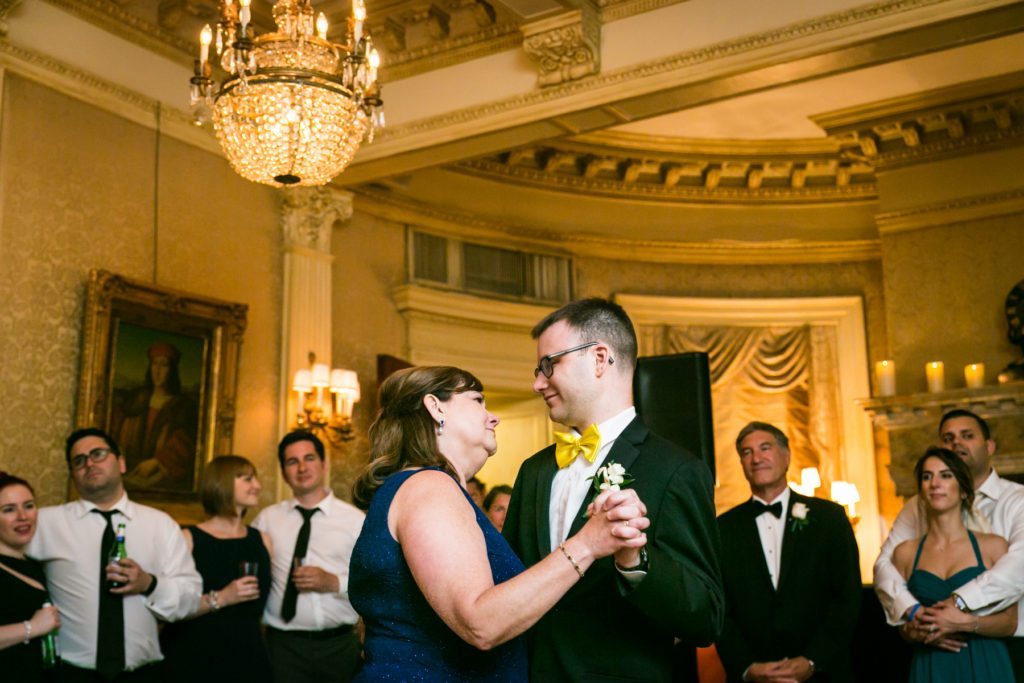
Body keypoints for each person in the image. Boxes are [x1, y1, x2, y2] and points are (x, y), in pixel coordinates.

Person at [348, 365, 648, 681]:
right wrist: (587, 543)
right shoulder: (429, 487)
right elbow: (480, 623)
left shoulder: (415, 487)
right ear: (435, 407)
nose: (494, 417)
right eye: (478, 400)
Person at [502, 298, 723, 682]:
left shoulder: (676, 470)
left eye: (548, 365)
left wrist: (635, 561)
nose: (537, 383)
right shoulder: (533, 470)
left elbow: (705, 617)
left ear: (600, 358)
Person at [28, 427, 201, 681]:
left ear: (121, 463)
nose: (89, 463)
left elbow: (189, 601)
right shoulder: (44, 523)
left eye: (98, 454)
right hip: (70, 674)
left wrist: (148, 583)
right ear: (73, 475)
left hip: (144, 674)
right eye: (79, 460)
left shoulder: (160, 525)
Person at [874, 409, 1024, 673]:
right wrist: (914, 612)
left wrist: (957, 607)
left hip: (1007, 646)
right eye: (948, 438)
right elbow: (884, 565)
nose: (956, 443)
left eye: (967, 436)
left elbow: (1018, 567)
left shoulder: (1018, 500)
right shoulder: (917, 506)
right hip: (931, 650)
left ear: (989, 446)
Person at [716, 422, 861, 683]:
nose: (756, 458)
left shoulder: (830, 518)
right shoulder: (722, 528)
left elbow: (847, 597)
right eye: (746, 453)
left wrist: (812, 660)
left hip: (823, 674)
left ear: (786, 456)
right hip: (754, 676)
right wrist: (747, 667)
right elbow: (719, 607)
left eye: (765, 448)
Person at [891, 447, 1016, 681]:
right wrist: (917, 632)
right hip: (931, 664)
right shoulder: (905, 553)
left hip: (985, 663)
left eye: (946, 475)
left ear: (963, 491)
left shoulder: (993, 547)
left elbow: (1009, 623)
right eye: (927, 476)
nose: (935, 483)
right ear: (921, 490)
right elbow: (902, 626)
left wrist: (967, 623)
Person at [252, 430, 365, 683]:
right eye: (292, 462)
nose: (302, 467)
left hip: (340, 646)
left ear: (324, 465)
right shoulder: (266, 520)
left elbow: (375, 579)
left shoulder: (356, 521)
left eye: (309, 458)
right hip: (283, 646)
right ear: (283, 472)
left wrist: (335, 582)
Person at [161, 455, 272, 682]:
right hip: (194, 654)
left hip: (247, 655)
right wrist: (223, 597)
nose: (257, 486)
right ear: (222, 483)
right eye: (248, 479)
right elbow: (168, 605)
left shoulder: (262, 539)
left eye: (256, 480)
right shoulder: (188, 539)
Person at [111, 341, 199, 492]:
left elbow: (184, 442)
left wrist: (158, 461)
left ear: (172, 370)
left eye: (163, 365)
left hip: (156, 474)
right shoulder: (135, 397)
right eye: (154, 364)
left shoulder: (181, 406)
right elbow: (114, 425)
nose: (157, 370)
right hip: (126, 466)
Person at [0, 472, 61, 682]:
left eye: (28, 505)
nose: (23, 516)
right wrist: (32, 628)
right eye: (8, 510)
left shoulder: (34, 565)